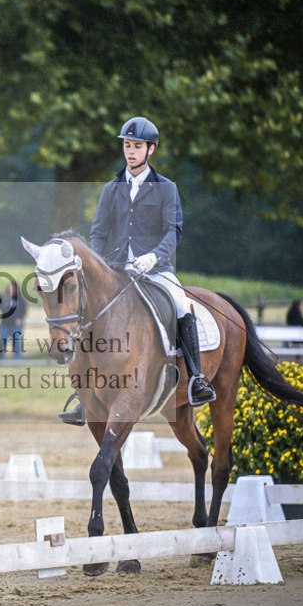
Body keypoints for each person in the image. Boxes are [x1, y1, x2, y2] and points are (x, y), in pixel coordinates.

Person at [87, 116, 215, 405]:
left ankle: (196, 378)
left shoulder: (166, 188)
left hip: (155, 270)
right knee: (88, 310)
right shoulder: (110, 189)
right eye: (127, 146)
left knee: (182, 304)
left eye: (137, 146)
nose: (130, 151)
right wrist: (97, 266)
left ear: (151, 150)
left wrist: (155, 257)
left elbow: (174, 230)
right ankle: (82, 388)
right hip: (117, 271)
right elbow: (98, 233)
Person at [0, 281, 26, 360]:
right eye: (11, 288)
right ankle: (0, 361)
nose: (12, 290)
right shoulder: (5, 299)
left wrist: (21, 318)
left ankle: (17, 361)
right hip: (4, 325)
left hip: (15, 326)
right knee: (2, 343)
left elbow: (23, 311)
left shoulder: (20, 300)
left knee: (16, 343)